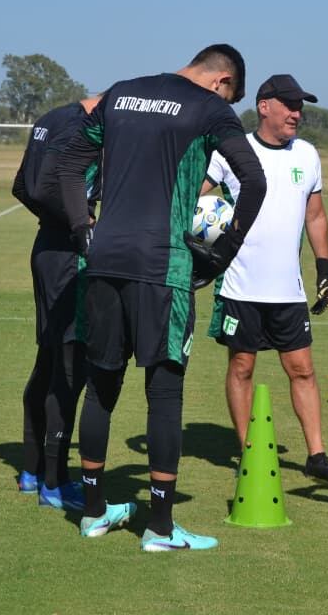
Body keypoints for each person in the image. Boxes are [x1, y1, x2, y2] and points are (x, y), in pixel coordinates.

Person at [55, 44, 268, 552]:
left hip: (102, 261)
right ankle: (161, 527)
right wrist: (221, 254)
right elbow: (254, 180)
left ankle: (91, 512)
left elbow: (68, 162)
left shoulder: (122, 92)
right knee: (164, 393)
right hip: (163, 266)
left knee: (102, 386)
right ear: (222, 82)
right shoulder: (209, 108)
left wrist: (82, 228)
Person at [201, 73, 328, 486]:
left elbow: (314, 214)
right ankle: (248, 451)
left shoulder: (307, 154)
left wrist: (324, 269)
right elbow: (196, 194)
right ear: (264, 106)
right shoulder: (232, 151)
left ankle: (317, 455)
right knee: (242, 365)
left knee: (302, 368)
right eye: (288, 104)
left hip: (288, 289)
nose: (296, 113)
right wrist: (205, 228)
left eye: (300, 105)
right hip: (239, 285)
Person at [11, 94, 101, 510]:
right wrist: (79, 221)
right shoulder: (78, 127)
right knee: (69, 368)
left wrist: (55, 221)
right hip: (68, 255)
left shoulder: (52, 117)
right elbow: (49, 183)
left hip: (48, 247)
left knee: (48, 362)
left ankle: (31, 471)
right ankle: (54, 481)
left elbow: (23, 186)